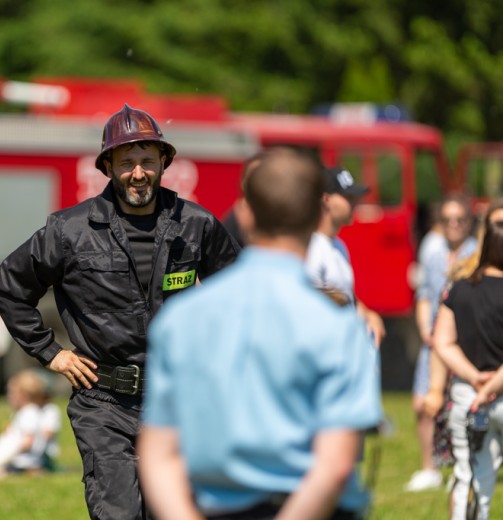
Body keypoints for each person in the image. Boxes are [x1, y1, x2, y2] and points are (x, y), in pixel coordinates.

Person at [0, 104, 240, 519]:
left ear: (165, 161)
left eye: (146, 160)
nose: (138, 173)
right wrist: (52, 352)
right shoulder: (69, 230)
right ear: (107, 166)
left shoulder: (197, 225)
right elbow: (8, 286)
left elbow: (239, 295)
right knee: (119, 512)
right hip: (103, 402)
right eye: (126, 162)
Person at [138, 151, 382, 520]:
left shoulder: (181, 317)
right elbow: (335, 466)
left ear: (245, 213)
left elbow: (157, 456)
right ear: (319, 216)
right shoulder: (336, 323)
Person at [433, 198, 503, 520]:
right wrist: (491, 387)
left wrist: (475, 379)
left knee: (471, 477)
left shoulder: (458, 288)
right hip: (492, 396)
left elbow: (443, 342)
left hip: (469, 399)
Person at [406, 195, 477, 492]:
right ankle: (429, 468)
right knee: (423, 403)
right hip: (434, 340)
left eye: (459, 219)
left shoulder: (477, 254)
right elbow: (423, 294)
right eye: (448, 219)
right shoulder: (434, 254)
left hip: (465, 343)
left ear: (469, 222)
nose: (454, 225)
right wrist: (425, 328)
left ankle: (471, 466)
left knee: (468, 405)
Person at [305, 166, 386, 346]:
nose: (355, 204)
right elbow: (311, 312)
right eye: (348, 198)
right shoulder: (311, 249)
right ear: (326, 199)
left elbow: (347, 297)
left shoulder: (338, 245)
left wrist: (369, 314)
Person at [0, 369, 61, 478]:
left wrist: (10, 451)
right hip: (31, 459)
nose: (8, 397)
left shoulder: (28, 413)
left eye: (11, 393)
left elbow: (28, 439)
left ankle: (30, 470)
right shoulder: (27, 412)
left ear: (22, 396)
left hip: (25, 460)